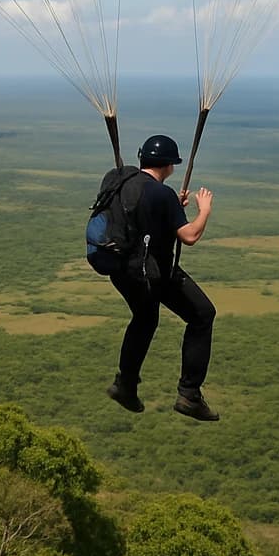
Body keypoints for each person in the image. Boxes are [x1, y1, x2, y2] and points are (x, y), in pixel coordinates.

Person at [106, 134, 219, 421]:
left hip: (121, 271)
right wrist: (203, 211)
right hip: (150, 274)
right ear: (169, 165)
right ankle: (189, 395)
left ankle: (126, 385)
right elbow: (189, 236)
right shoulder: (161, 194)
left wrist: (171, 209)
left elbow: (139, 215)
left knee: (145, 319)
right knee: (203, 314)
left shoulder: (120, 180)